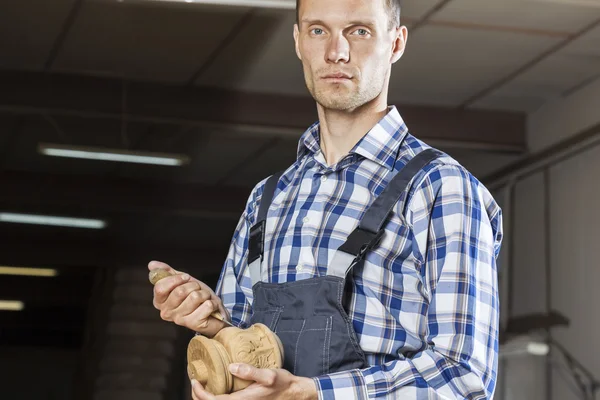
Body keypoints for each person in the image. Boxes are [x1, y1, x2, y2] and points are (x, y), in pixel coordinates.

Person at [150, 0, 503, 398]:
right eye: (318, 30)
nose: (336, 51)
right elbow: (243, 345)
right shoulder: (269, 197)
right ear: (299, 42)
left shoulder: (441, 188)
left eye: (359, 31)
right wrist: (211, 320)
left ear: (396, 43)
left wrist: (315, 394)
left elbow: (463, 377)